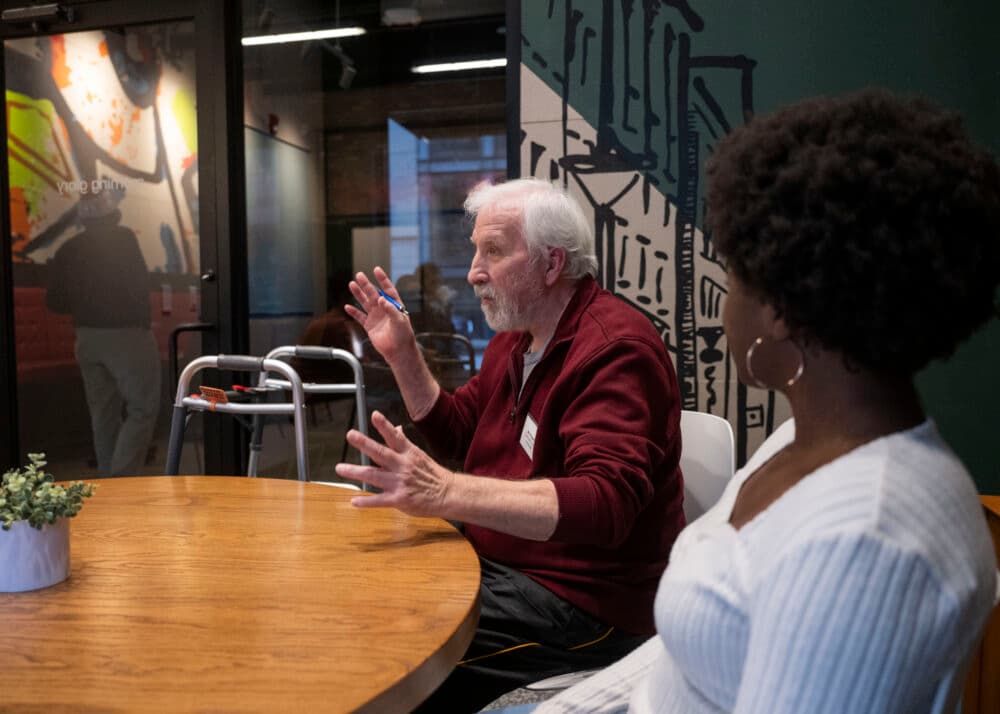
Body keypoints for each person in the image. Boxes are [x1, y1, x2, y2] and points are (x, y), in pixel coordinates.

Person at [533, 88, 1000, 713]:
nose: (725, 309)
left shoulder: (867, 538)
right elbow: (688, 649)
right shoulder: (798, 443)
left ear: (780, 309)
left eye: (735, 278)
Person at [335, 178, 685, 711]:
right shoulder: (516, 339)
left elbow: (604, 505)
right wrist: (403, 355)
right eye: (477, 251)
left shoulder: (617, 349)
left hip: (584, 604)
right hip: (501, 566)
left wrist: (444, 492)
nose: (474, 271)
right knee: (359, 594)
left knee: (387, 657)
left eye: (493, 252)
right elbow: (458, 431)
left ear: (551, 264)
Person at [46, 186, 161, 476]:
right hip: (127, 335)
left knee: (103, 414)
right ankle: (120, 478)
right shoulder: (124, 239)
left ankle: (109, 485)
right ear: (111, 216)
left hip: (87, 337)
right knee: (142, 408)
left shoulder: (67, 250)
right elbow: (140, 284)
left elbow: (54, 302)